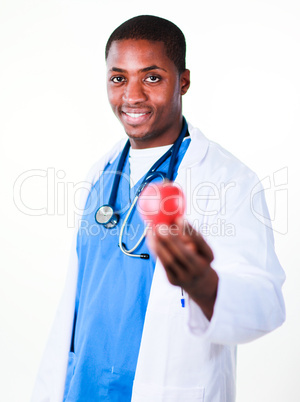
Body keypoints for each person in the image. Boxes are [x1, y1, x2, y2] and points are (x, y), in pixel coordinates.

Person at [32, 15, 285, 402]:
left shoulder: (228, 179)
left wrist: (205, 285)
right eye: (119, 78)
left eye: (152, 78)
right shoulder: (101, 172)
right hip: (80, 388)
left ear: (182, 80)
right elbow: (81, 301)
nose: (132, 96)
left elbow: (266, 304)